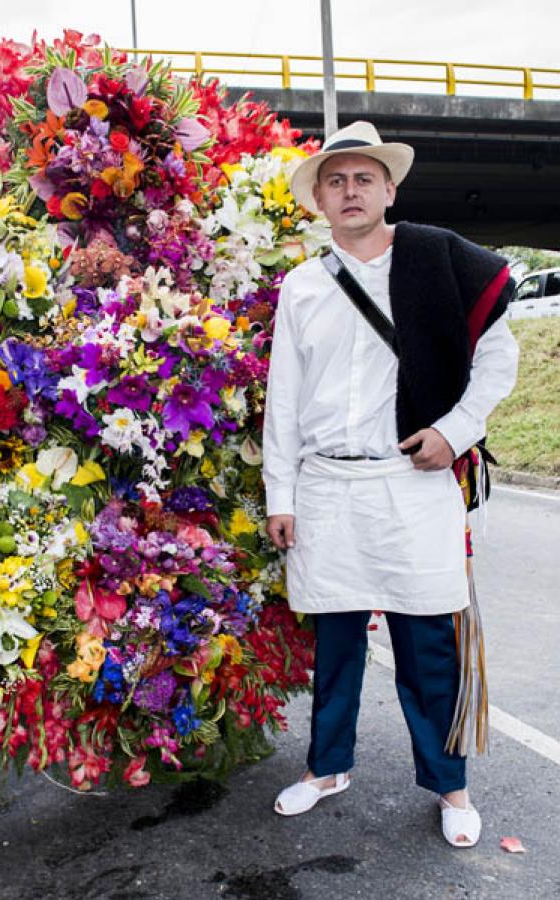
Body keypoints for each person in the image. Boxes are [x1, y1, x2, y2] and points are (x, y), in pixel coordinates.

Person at [261, 120, 519, 848]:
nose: (350, 191)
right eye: (336, 180)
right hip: (325, 488)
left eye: (363, 178)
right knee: (335, 638)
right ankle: (326, 767)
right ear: (318, 197)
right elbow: (285, 395)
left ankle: (449, 785)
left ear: (388, 189)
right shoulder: (302, 285)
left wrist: (454, 430)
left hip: (410, 482)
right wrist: (280, 494)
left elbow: (498, 360)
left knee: (426, 641)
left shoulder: (438, 260)